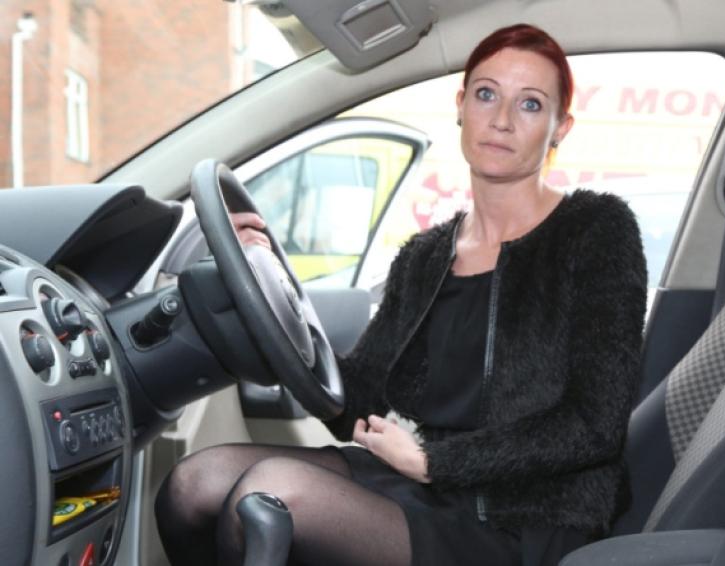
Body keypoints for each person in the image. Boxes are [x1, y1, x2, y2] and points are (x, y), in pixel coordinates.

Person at [155, 23, 647, 566]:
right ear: (461, 105)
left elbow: (594, 426)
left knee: (266, 492)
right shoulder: (425, 256)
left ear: (560, 128)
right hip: (427, 486)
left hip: (529, 519)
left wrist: (434, 462)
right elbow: (355, 409)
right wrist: (270, 277)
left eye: (530, 104)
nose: (501, 119)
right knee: (193, 484)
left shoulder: (596, 230)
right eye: (486, 94)